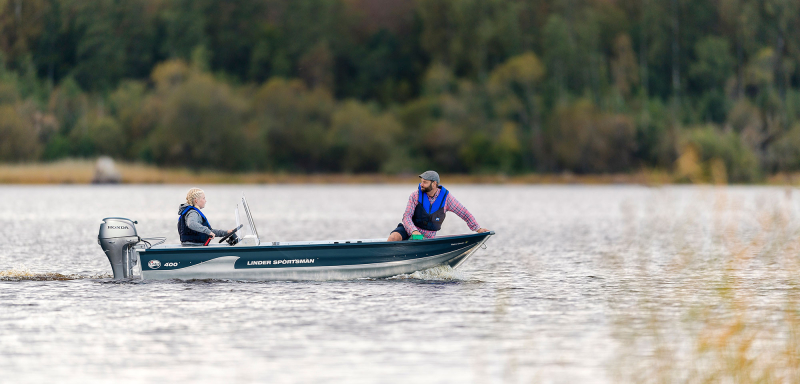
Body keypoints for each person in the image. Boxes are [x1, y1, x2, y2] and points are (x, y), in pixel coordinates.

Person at [387, 171, 489, 241]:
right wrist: (414, 231)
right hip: (410, 230)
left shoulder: (447, 199)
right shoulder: (415, 195)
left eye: (425, 182)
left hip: (427, 237)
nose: (421, 184)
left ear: (434, 184)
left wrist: (478, 229)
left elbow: (464, 212)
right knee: (393, 237)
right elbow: (406, 216)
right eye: (421, 182)